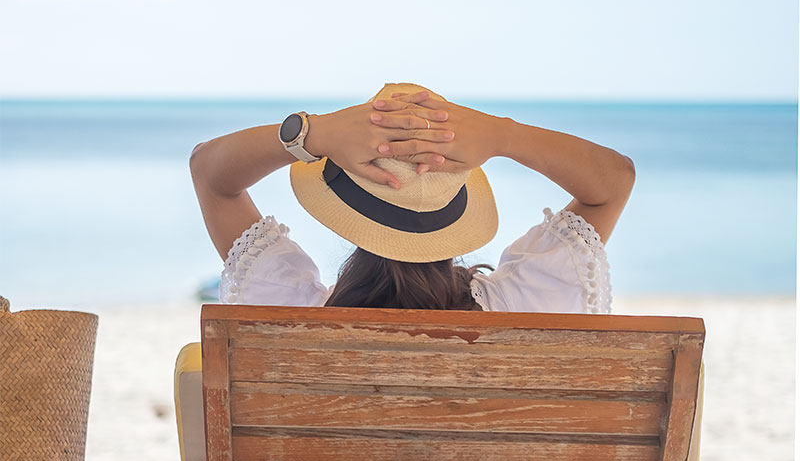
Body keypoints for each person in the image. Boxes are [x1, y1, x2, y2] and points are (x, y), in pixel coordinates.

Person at [190, 83, 635, 314]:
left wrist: (312, 132)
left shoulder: (285, 305)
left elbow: (210, 172)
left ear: (342, 210)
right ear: (456, 209)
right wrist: (503, 133)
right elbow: (613, 182)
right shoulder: (527, 300)